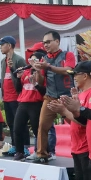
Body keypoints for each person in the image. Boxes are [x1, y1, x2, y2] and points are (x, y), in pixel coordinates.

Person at [48, 61, 91, 180]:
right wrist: (64, 112)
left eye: (76, 74)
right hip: (77, 147)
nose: (73, 78)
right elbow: (72, 122)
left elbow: (84, 121)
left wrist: (64, 111)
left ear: (85, 75)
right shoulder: (80, 95)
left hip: (87, 147)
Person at [30, 31, 76, 163]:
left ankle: (85, 150)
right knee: (43, 125)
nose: (46, 45)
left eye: (48, 42)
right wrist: (38, 70)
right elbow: (40, 81)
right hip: (50, 96)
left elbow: (69, 70)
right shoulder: (44, 59)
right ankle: (41, 154)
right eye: (44, 43)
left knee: (77, 124)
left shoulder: (68, 54)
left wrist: (48, 67)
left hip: (66, 97)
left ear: (57, 41)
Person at [10, 46, 46, 161]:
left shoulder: (42, 73)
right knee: (17, 128)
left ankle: (42, 152)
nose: (31, 62)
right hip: (23, 103)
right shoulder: (25, 72)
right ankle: (19, 152)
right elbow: (18, 89)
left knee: (37, 130)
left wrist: (35, 83)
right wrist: (17, 77)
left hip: (35, 103)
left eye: (34, 60)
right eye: (30, 60)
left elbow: (44, 91)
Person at [0, 36, 25, 156]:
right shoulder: (3, 61)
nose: (0, 48)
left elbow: (23, 78)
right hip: (6, 98)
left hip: (17, 97)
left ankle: (22, 148)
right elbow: (4, 79)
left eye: (2, 45)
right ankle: (14, 146)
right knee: (11, 123)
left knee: (19, 124)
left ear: (9, 45)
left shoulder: (19, 60)